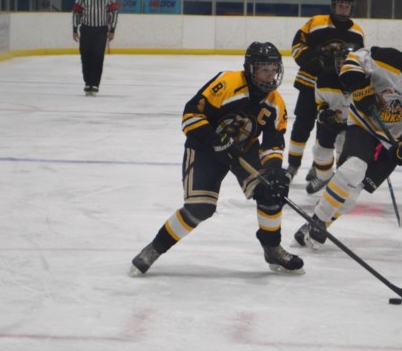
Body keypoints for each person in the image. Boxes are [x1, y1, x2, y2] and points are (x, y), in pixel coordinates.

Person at [130, 42, 304, 276]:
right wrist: (215, 139)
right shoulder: (227, 83)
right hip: (205, 148)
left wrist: (274, 171)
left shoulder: (275, 102)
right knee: (200, 208)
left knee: (269, 192)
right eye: (264, 70)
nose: (270, 76)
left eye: (273, 70)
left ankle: (272, 249)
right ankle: (154, 248)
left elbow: (273, 142)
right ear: (250, 69)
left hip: (244, 148)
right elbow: (191, 114)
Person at [293, 27, 402, 248]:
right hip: (363, 124)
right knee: (352, 169)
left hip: (393, 140)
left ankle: (314, 227)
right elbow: (353, 60)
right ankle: (317, 221)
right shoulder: (383, 58)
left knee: (352, 195)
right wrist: (360, 86)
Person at [286, 0, 365, 182]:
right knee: (302, 125)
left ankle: (318, 167)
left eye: (346, 6)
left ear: (351, 8)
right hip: (309, 82)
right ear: (333, 5)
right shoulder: (316, 23)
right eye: (339, 5)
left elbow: (360, 60)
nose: (342, 10)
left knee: (328, 127)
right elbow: (297, 46)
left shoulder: (357, 33)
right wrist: (313, 59)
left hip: (334, 90)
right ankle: (292, 166)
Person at [304, 42, 357, 194]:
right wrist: (324, 113)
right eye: (342, 61)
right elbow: (320, 103)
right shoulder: (325, 78)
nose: (344, 66)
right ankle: (324, 176)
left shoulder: (366, 80)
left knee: (346, 156)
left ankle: (341, 185)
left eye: (349, 62)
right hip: (330, 121)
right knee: (320, 152)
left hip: (355, 123)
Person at [72, 0, 119, 95]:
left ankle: (95, 83)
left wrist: (112, 30)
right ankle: (88, 82)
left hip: (101, 30)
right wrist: (75, 29)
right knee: (86, 55)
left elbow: (114, 12)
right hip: (86, 29)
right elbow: (76, 12)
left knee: (98, 56)